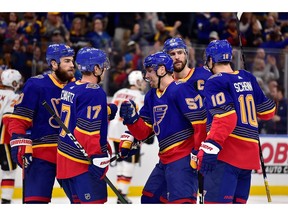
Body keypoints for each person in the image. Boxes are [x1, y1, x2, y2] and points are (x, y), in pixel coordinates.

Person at [119, 52, 207, 204]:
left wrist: (197, 153)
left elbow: (200, 123)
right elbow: (144, 132)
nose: (147, 76)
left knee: (181, 203)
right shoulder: (151, 96)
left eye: (149, 71)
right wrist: (132, 120)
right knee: (149, 198)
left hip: (183, 159)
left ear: (161, 70)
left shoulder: (181, 89)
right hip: (165, 160)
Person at [197, 39, 276, 204]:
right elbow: (268, 112)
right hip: (248, 159)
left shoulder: (214, 81)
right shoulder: (247, 76)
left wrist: (211, 149)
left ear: (211, 60)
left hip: (227, 155)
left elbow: (226, 118)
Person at [8, 43, 75, 204]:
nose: (72, 65)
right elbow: (19, 119)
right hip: (41, 155)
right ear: (53, 64)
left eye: (72, 61)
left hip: (71, 154)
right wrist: (20, 141)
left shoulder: (76, 86)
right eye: (67, 61)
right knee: (35, 204)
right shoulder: (36, 84)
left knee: (83, 203)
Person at [57, 47, 115, 204]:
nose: (104, 70)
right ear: (95, 68)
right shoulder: (94, 92)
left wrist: (106, 111)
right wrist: (97, 156)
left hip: (64, 161)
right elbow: (86, 131)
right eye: (102, 66)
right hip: (83, 164)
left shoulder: (70, 87)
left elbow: (77, 115)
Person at [108, 70, 152, 204]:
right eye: (142, 80)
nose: (144, 83)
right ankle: (122, 194)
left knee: (121, 162)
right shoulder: (140, 96)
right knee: (129, 163)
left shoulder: (118, 92)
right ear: (137, 81)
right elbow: (143, 117)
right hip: (129, 133)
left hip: (114, 131)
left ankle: (121, 192)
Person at [0, 69, 22, 204]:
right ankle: (6, 201)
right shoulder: (14, 97)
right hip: (3, 139)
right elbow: (8, 119)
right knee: (9, 171)